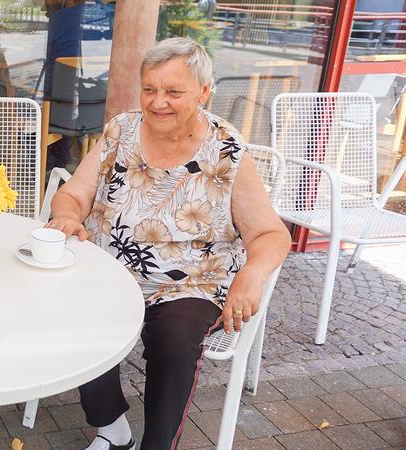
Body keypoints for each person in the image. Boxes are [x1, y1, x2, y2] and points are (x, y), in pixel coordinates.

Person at [45, 37, 290, 449]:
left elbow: (270, 233)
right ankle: (112, 429)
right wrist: (67, 215)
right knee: (79, 315)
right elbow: (74, 192)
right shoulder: (121, 130)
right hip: (112, 269)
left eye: (174, 92)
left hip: (189, 284)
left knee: (174, 345)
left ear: (203, 92)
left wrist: (253, 272)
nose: (158, 102)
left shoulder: (226, 151)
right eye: (150, 89)